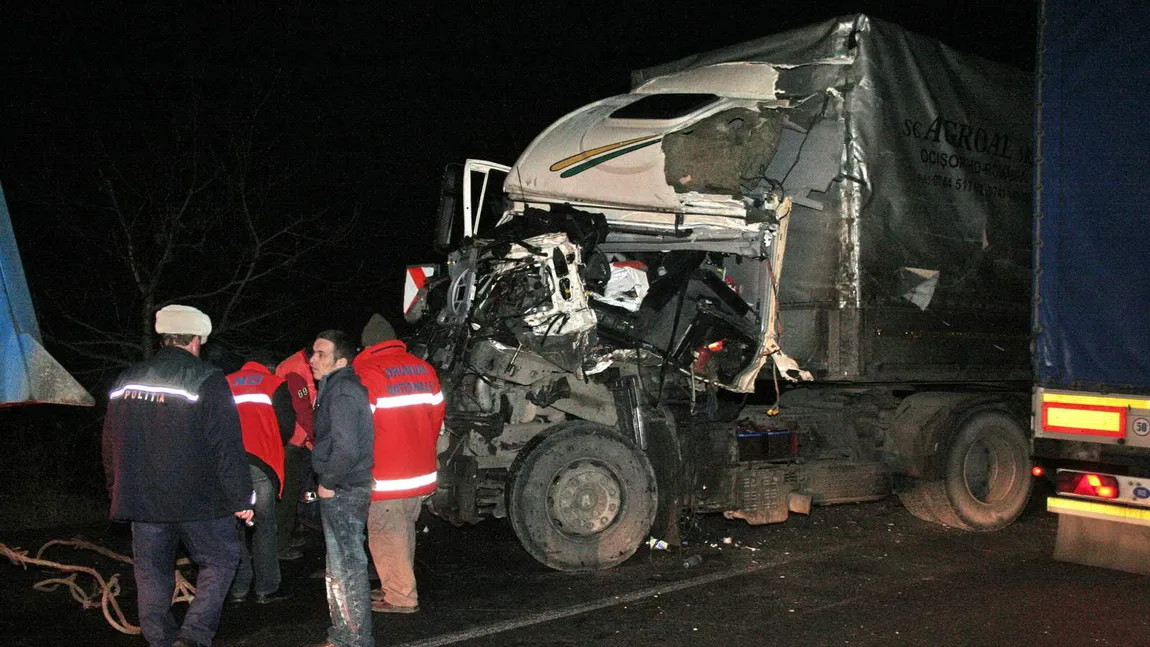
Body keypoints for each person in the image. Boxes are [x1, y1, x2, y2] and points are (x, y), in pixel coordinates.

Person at [102, 304, 253, 647]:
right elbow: (226, 446)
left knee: (152, 574)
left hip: (142, 501)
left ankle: (160, 641)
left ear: (164, 337)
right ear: (197, 339)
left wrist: (116, 489)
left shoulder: (125, 380)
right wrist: (241, 498)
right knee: (221, 559)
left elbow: (110, 442)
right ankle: (193, 636)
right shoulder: (207, 379)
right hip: (199, 501)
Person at [353, 314, 445, 614]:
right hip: (418, 470)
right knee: (403, 530)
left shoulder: (367, 371)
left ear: (366, 344)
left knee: (384, 533)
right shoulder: (424, 368)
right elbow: (436, 420)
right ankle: (395, 584)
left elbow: (358, 427)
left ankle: (402, 596)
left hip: (386, 473)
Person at [307, 329, 375, 647]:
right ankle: (342, 635)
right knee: (337, 569)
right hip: (342, 487)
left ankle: (357, 640)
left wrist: (327, 482)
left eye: (321, 354)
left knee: (347, 566)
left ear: (341, 361)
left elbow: (346, 449)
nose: (312, 359)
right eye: (313, 352)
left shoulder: (343, 390)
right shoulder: (333, 388)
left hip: (344, 490)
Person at [226, 357, 295, 603]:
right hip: (261, 462)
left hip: (228, 464)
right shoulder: (275, 383)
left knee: (232, 527)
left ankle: (237, 588)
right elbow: (287, 426)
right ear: (268, 367)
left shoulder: (225, 382)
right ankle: (266, 588)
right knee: (265, 525)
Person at [274, 347, 318, 559]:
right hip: (291, 444)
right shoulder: (296, 370)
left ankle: (287, 535)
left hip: (296, 441)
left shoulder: (301, 366)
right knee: (288, 496)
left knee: (294, 492)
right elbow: (302, 409)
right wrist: (315, 438)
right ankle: (280, 546)